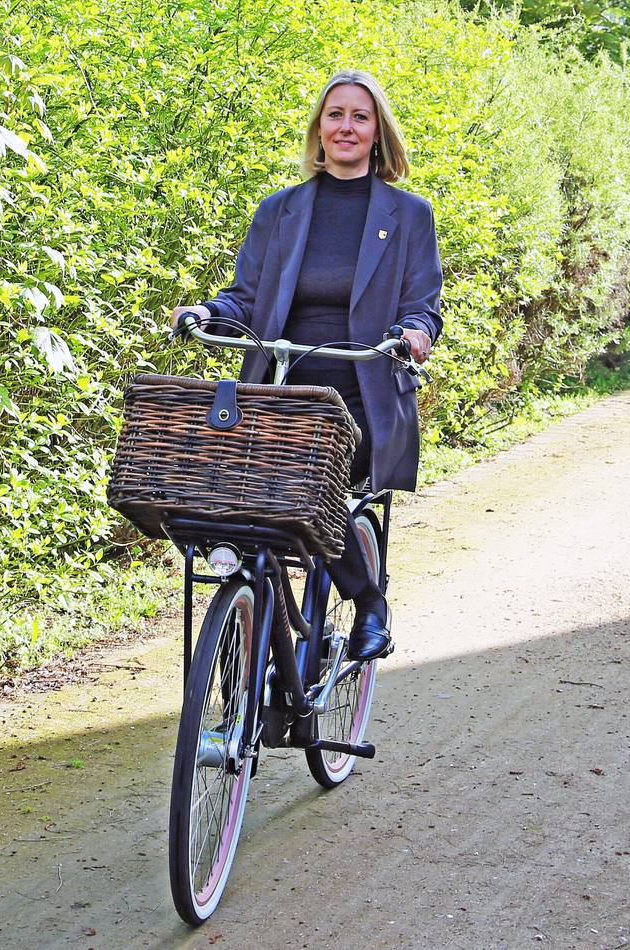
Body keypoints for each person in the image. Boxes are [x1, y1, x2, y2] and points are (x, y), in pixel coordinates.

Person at [172, 69, 442, 661]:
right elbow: (244, 298)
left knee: (314, 491)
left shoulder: (409, 215)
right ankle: (254, 617)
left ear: (378, 134)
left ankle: (369, 602)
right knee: (226, 497)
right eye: (335, 114)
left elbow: (423, 306)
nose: (346, 126)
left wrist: (416, 333)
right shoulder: (280, 210)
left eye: (360, 116)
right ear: (319, 129)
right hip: (278, 391)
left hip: (360, 393)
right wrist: (208, 312)